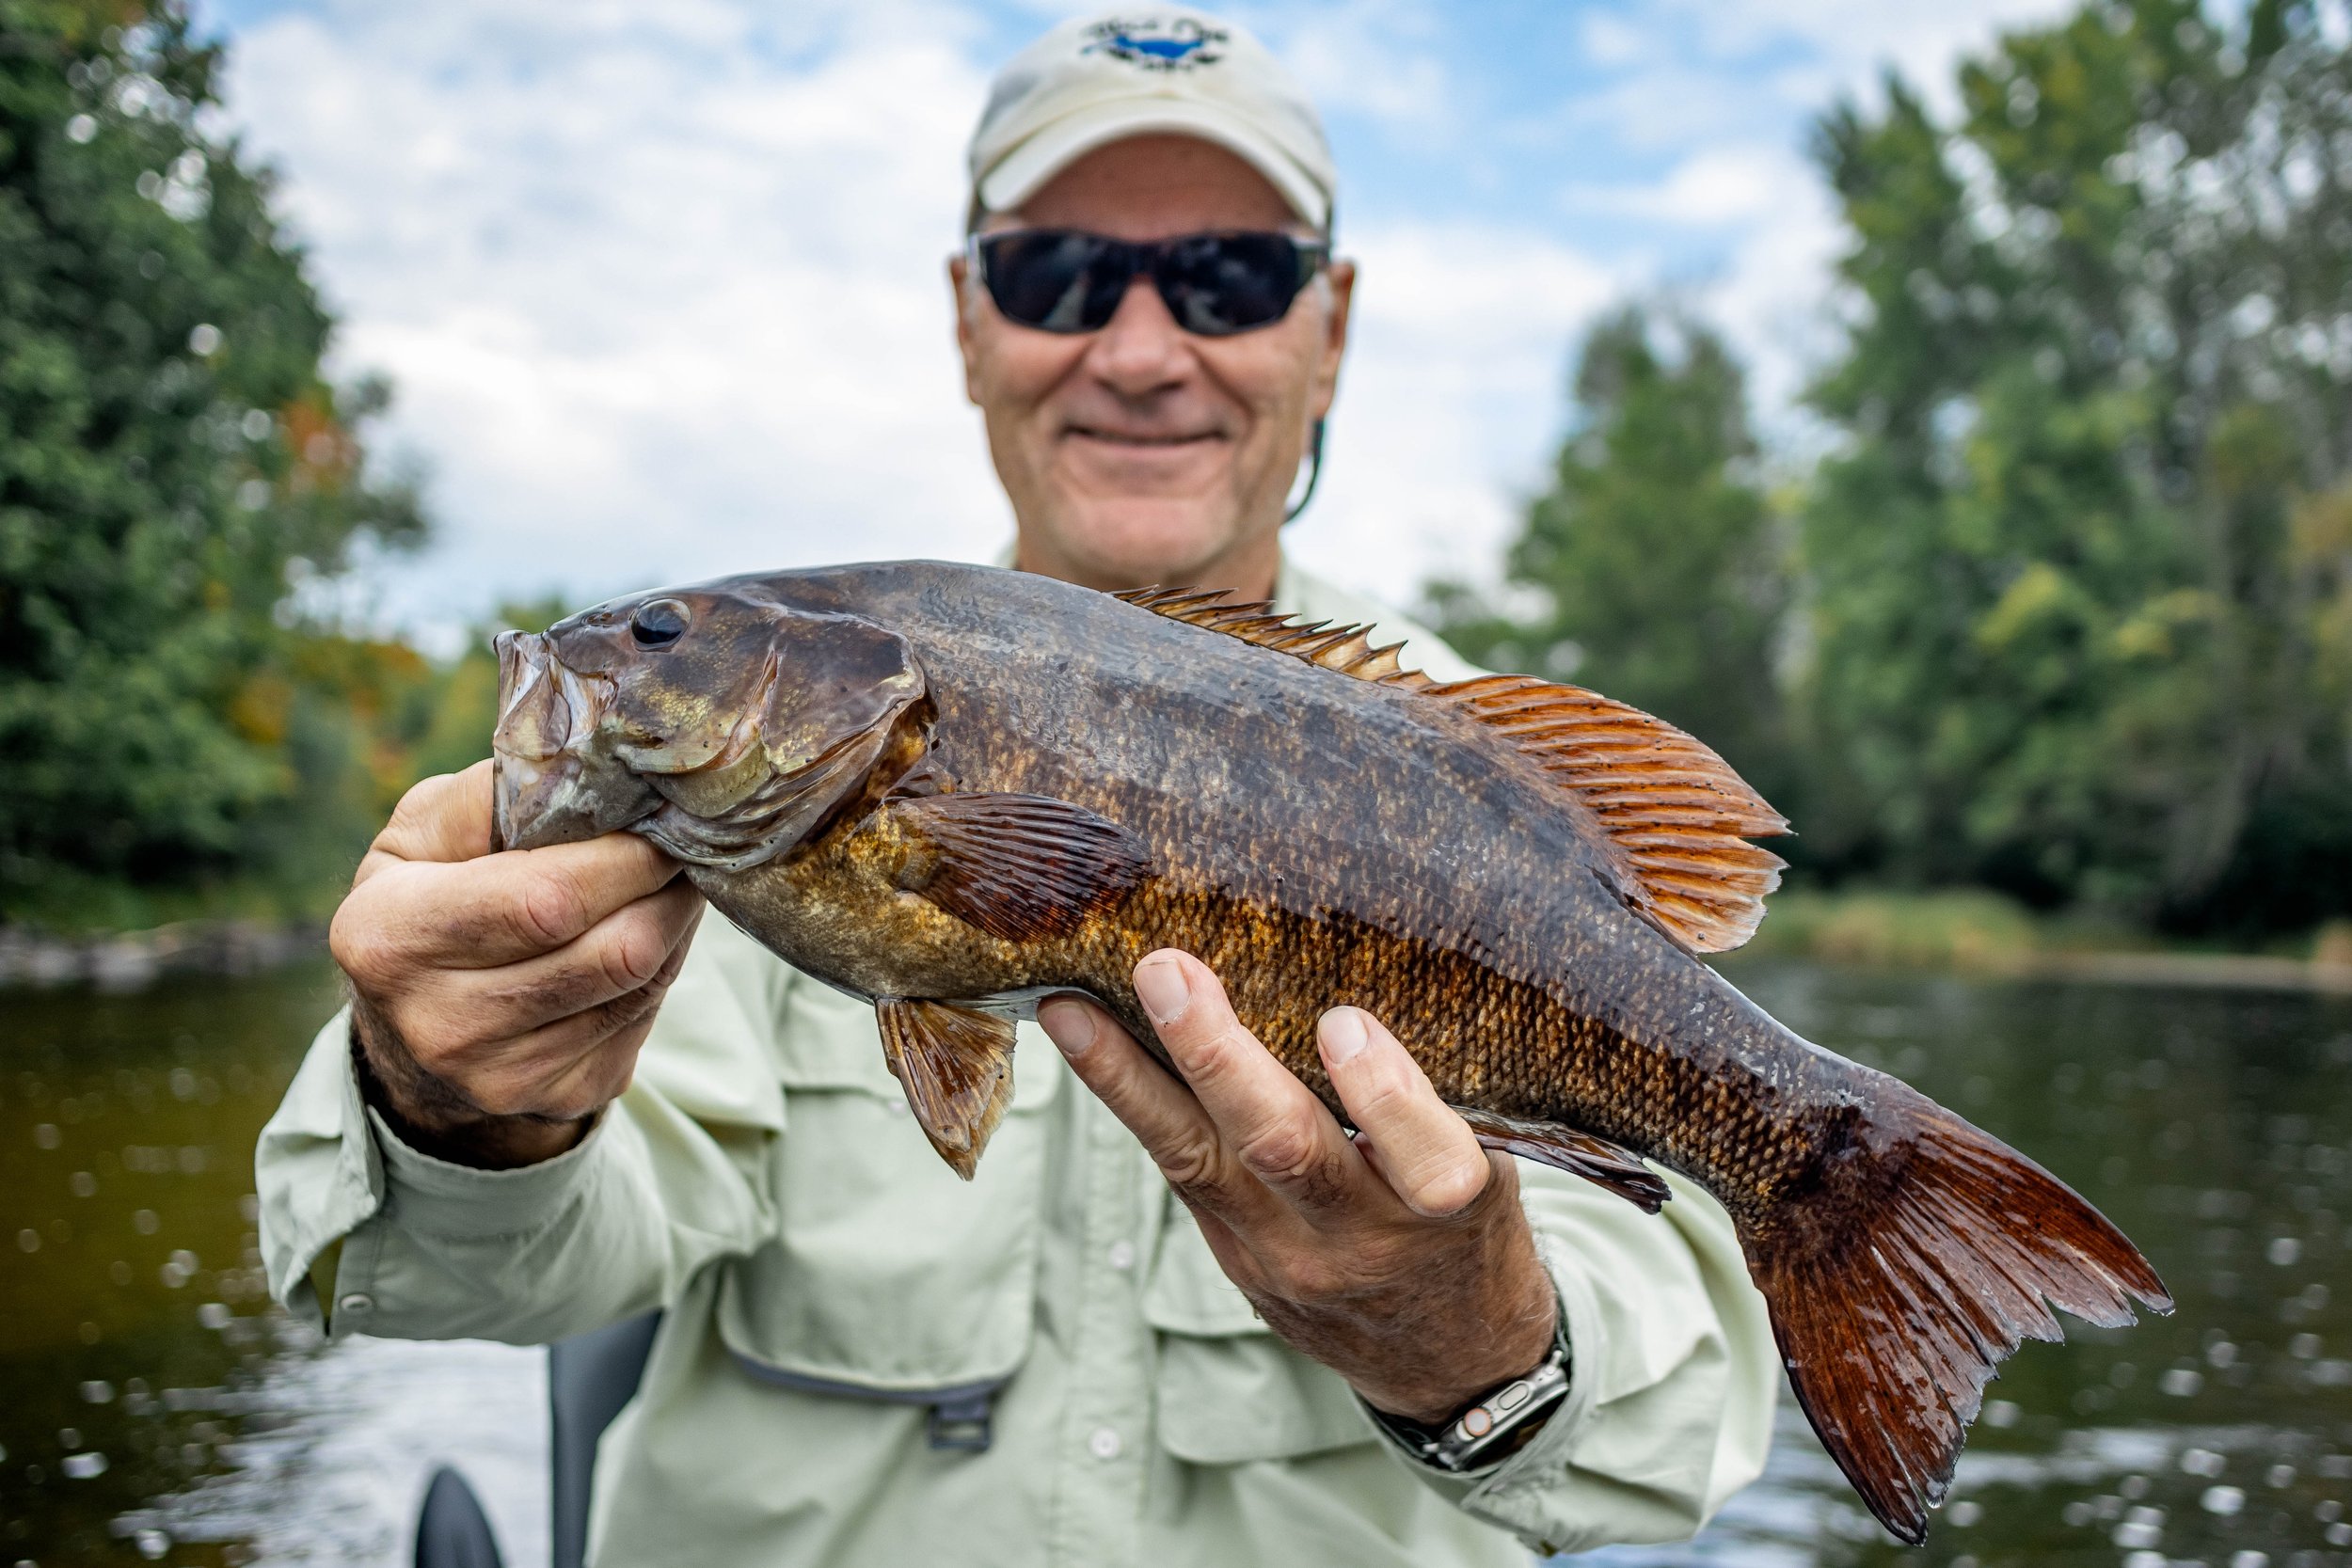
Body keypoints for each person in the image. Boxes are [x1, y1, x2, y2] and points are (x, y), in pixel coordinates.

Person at [257, 9, 1776, 1564]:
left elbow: (1683, 1436)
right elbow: (472, 1281)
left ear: (1329, 329)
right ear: (971, 321)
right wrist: (453, 1107)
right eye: (1056, 274)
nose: (1141, 350)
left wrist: (1480, 1338)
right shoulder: (730, 836)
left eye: (1229, 277)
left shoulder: (1479, 779)